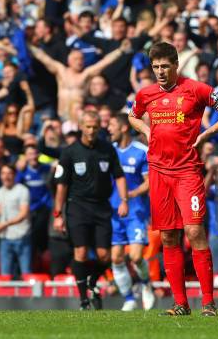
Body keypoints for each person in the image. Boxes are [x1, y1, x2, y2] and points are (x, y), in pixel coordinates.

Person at [129, 42, 218, 316]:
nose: (159, 71)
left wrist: (207, 133)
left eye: (164, 66)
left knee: (194, 232)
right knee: (168, 236)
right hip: (158, 171)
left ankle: (208, 302)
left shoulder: (196, 89)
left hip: (187, 172)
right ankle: (180, 303)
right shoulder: (146, 94)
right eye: (155, 66)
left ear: (176, 64)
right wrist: (146, 130)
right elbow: (132, 116)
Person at [53, 110, 129, 310]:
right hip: (77, 207)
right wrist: (58, 214)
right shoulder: (69, 152)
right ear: (80, 127)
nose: (91, 130)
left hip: (102, 207)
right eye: (87, 126)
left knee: (105, 256)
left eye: (95, 127)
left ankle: (92, 282)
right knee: (81, 252)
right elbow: (61, 185)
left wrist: (124, 200)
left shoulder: (107, 149)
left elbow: (119, 176)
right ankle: (83, 300)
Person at [107, 113, 155, 311]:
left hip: (135, 212)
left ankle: (146, 285)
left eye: (111, 125)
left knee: (135, 257)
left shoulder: (141, 151)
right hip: (113, 212)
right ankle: (128, 298)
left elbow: (150, 182)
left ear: (124, 127)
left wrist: (131, 194)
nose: (108, 129)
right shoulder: (109, 152)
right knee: (116, 257)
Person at [0, 164, 32, 278]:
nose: (6, 177)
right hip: (5, 238)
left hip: (21, 236)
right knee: (5, 275)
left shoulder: (22, 190)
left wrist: (5, 224)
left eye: (9, 173)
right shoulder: (0, 191)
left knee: (26, 273)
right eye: (3, 173)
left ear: (14, 175)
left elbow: (23, 213)